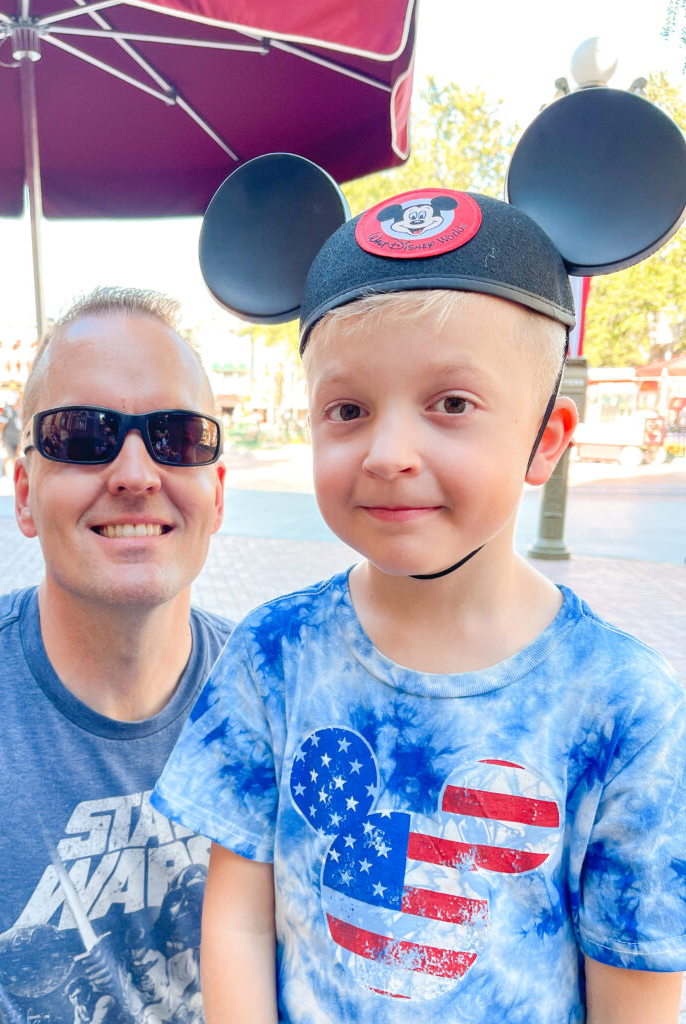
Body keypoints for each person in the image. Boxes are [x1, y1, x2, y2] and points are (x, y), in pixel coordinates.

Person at [152, 189, 686, 1023]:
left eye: (452, 405)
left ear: (545, 439)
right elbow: (239, 919)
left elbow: (638, 988)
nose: (390, 453)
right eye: (349, 410)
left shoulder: (625, 705)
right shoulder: (274, 653)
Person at [0, 287, 230, 1023]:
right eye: (81, 435)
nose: (133, 473)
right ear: (25, 494)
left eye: (176, 436)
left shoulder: (280, 696)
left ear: (217, 492)